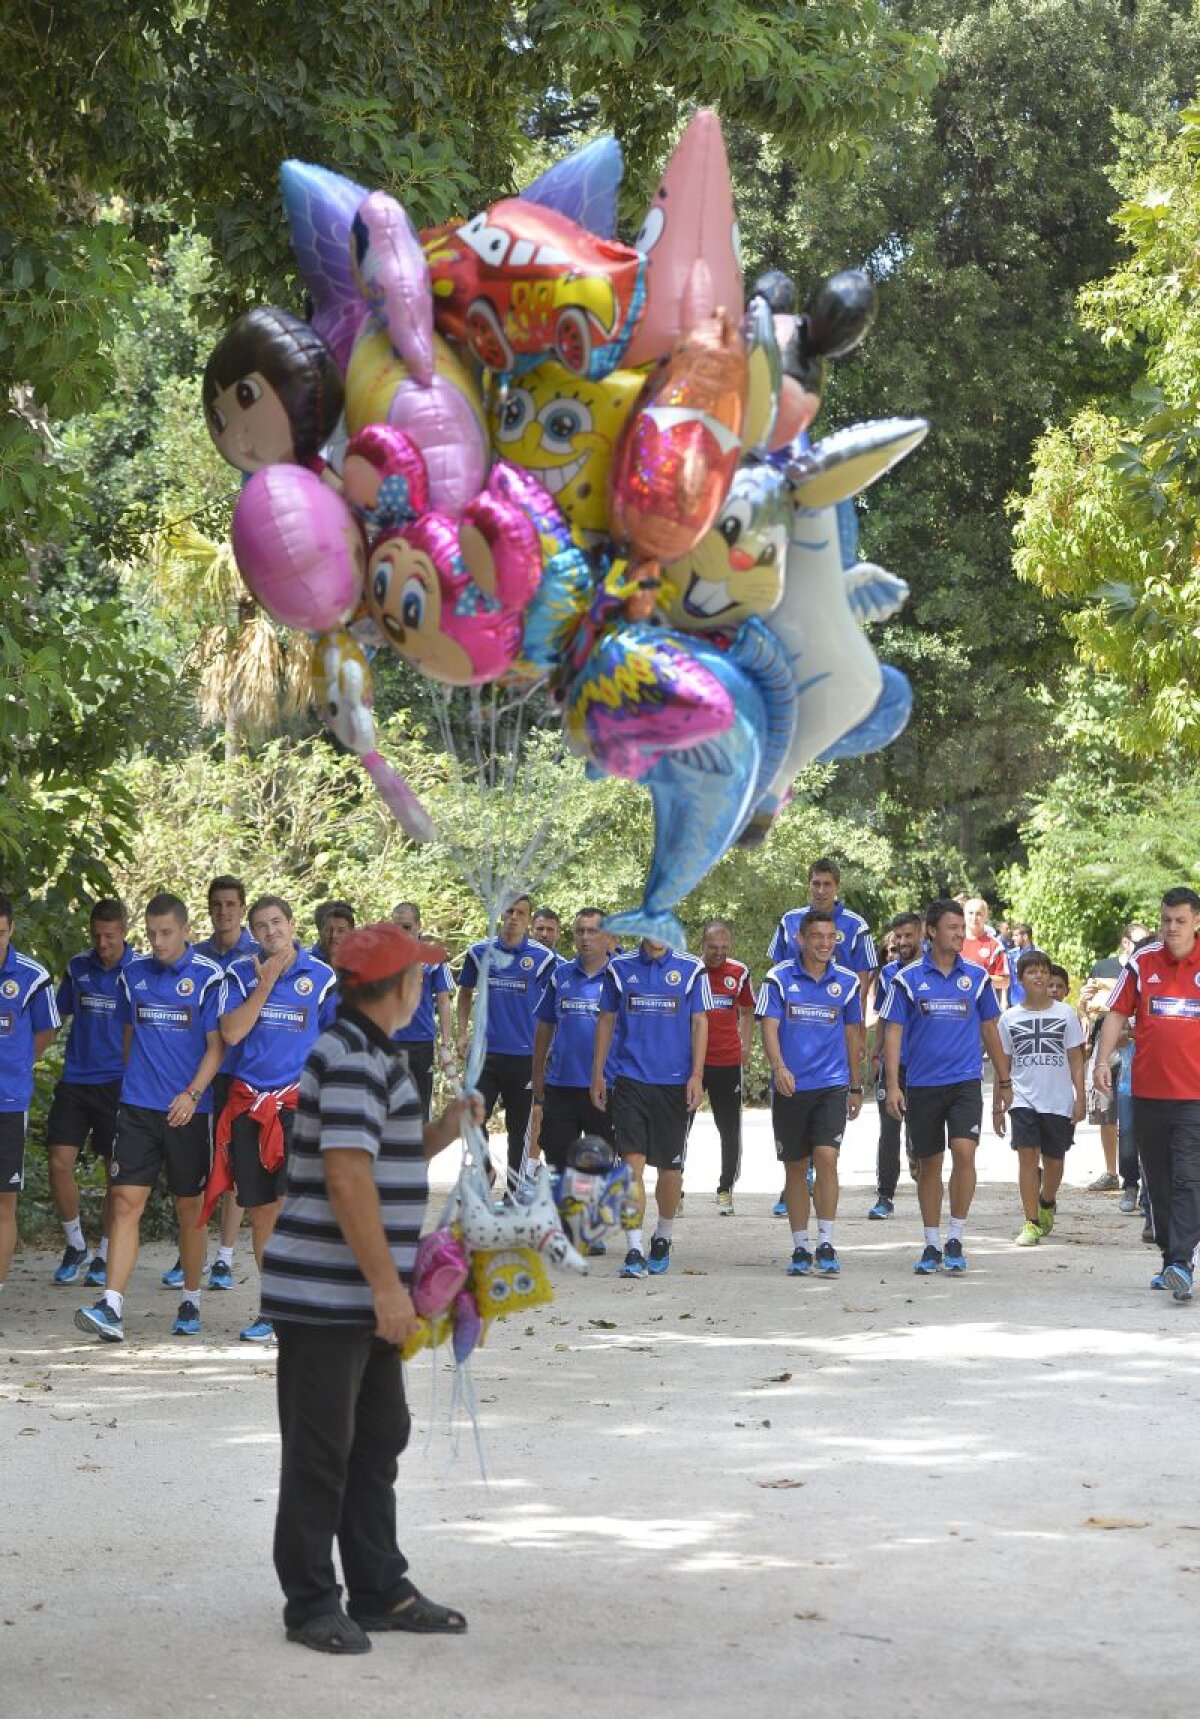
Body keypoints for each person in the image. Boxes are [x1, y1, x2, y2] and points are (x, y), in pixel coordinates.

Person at [260, 920, 477, 1653]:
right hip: (331, 1295)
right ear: (399, 986)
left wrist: (446, 1127)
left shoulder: (376, 1054)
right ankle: (311, 1601)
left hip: (363, 1291)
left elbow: (383, 1152)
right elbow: (347, 1175)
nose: (424, 986)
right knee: (322, 1449)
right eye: (418, 974)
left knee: (379, 1436)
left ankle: (380, 1588)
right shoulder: (352, 1056)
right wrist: (389, 1288)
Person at [74, 894, 224, 1343]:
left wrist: (192, 1094)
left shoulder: (208, 976)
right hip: (138, 1108)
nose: (157, 942)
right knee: (124, 1202)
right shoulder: (132, 975)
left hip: (189, 1112)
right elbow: (128, 1035)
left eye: (166, 933)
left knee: (188, 1208)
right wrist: (137, 1085)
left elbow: (217, 1047)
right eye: (151, 933)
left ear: (185, 930)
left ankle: (191, 1300)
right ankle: (111, 1306)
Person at [212, 896, 338, 1341]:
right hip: (249, 1106)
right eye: (261, 926)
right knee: (262, 1211)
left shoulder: (321, 977)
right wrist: (264, 984)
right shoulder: (239, 974)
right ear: (253, 934)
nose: (271, 932)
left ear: (292, 924)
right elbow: (231, 1033)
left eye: (277, 922)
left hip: (299, 1108)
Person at [881, 898, 1012, 1274]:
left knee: (964, 1152)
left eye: (961, 928)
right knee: (929, 1163)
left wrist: (1004, 1081)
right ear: (931, 932)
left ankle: (956, 1236)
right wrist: (892, 1085)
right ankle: (931, 1243)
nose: (959, 934)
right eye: (952, 928)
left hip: (965, 1082)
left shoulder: (977, 977)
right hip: (922, 1084)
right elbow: (893, 1032)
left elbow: (990, 1028)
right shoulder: (907, 979)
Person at [1093, 887, 1200, 1300]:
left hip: (1194, 1097)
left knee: (1188, 1178)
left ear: (1196, 922)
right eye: (1166, 920)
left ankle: (1181, 1263)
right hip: (1149, 1093)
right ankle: (1171, 1258)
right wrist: (1102, 1061)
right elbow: (1117, 1012)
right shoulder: (1142, 962)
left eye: (1180, 921)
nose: (1171, 928)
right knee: (1158, 1182)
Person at [591, 938, 709, 1278]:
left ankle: (663, 1236)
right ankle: (634, 1249)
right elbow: (606, 1019)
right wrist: (598, 1074)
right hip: (630, 1080)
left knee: (670, 1171)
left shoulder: (692, 969)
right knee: (632, 1167)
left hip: (674, 1084)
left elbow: (700, 1022)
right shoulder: (619, 968)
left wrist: (697, 1075)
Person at [757, 910, 864, 1277]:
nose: (824, 943)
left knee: (827, 1158)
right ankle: (801, 1246)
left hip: (831, 1085)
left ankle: (827, 1243)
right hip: (791, 1086)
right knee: (796, 1166)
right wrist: (779, 1067)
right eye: (817, 936)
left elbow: (853, 1035)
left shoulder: (847, 982)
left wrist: (855, 1085)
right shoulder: (778, 978)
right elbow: (769, 1027)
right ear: (801, 939)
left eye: (831, 937)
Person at [766, 858, 876, 1214]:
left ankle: (818, 1181)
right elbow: (777, 972)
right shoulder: (789, 921)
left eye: (827, 884)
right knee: (795, 1132)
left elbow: (862, 980)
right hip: (797, 1026)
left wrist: (857, 1031)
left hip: (836, 1020)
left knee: (827, 1133)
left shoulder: (855, 925)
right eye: (815, 883)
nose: (821, 890)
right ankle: (794, 1187)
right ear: (808, 884)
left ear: (837, 887)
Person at [176, 874, 259, 1293]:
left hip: (243, 1073)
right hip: (202, 1073)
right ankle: (190, 1255)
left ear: (242, 908)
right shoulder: (197, 956)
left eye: (231, 904)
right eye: (217, 904)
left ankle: (224, 1257)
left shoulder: (258, 954)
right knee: (198, 1167)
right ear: (208, 909)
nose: (224, 911)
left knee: (235, 1165)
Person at [47, 899, 133, 1287]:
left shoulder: (138, 971)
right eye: (96, 935)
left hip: (118, 1082)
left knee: (115, 1170)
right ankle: (75, 1244)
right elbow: (52, 1018)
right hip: (76, 1079)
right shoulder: (77, 967)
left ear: (124, 932)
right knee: (58, 1161)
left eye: (110, 936)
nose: (102, 943)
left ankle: (105, 1252)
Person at [456, 894, 555, 1178]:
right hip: (484, 1054)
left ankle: (514, 1190)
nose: (513, 917)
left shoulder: (544, 959)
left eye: (520, 913)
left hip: (525, 1056)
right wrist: (462, 1034)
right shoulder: (479, 951)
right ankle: (486, 1169)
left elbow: (554, 1005)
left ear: (528, 919)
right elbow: (465, 993)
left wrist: (549, 1049)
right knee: (471, 1118)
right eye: (509, 911)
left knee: (519, 1130)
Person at [995, 950, 1086, 1245]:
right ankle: (1031, 1221)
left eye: (1043, 971)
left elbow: (1075, 1059)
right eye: (1032, 971)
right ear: (1020, 979)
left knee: (1055, 1161)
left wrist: (1080, 1097)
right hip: (1022, 1097)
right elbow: (1003, 1064)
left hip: (1058, 1099)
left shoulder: (1065, 1013)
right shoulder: (1009, 1018)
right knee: (1027, 1155)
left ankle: (1047, 1200)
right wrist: (997, 1106)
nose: (1039, 976)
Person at [0, 896, 59, 1295]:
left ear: (11, 929)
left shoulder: (32, 976)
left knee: (4, 1199)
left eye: (0, 933)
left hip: (8, 1102)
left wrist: (19, 1065)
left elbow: (46, 1031)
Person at [532, 908, 615, 1172]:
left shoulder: (620, 976)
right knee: (558, 1163)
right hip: (561, 1085)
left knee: (599, 1168)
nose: (585, 937)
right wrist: (537, 1071)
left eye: (592, 931)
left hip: (605, 1087)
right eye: (580, 931)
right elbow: (545, 1024)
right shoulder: (560, 974)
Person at [694, 918, 755, 1215]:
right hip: (692, 1062)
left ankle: (725, 1189)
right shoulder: (689, 971)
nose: (718, 952)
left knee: (729, 1128)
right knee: (679, 1127)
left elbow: (748, 1010)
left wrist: (746, 1046)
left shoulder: (739, 972)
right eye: (712, 947)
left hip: (727, 1061)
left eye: (724, 947)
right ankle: (675, 1188)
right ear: (702, 944)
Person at [866, 911, 922, 1219]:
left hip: (925, 1066)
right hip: (894, 1065)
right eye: (898, 936)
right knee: (889, 1129)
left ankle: (915, 1155)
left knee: (918, 1130)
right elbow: (884, 1019)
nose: (902, 942)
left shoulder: (933, 970)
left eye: (908, 935)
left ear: (922, 934)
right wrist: (876, 1055)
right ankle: (885, 1195)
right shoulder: (888, 974)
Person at [389, 903, 455, 1121]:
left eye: (407, 927)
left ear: (419, 925)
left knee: (420, 1107)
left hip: (421, 1042)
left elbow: (444, 1001)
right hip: (390, 1042)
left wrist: (445, 1044)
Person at [963, 896, 1009, 1007]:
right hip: (955, 1007)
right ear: (963, 915)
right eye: (970, 913)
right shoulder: (951, 942)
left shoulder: (995, 946)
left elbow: (1005, 981)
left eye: (979, 914)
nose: (974, 917)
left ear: (986, 917)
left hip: (984, 1009)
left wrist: (978, 979)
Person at [1005, 923, 1041, 1007]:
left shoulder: (1039, 955)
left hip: (1035, 1002)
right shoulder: (1010, 955)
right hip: (1014, 1001)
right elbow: (1007, 977)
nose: (1013, 938)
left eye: (1016, 935)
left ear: (1025, 936)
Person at [312, 901, 356, 965]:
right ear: (320, 932)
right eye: (328, 930)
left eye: (341, 930)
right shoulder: (304, 963)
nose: (334, 935)